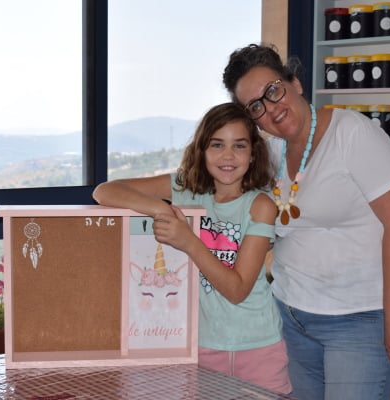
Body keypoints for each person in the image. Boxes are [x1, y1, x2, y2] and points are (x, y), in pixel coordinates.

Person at [222, 43, 390, 400]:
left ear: (294, 83)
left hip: (358, 322)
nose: (270, 108)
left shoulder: (352, 133)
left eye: (273, 90)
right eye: (256, 106)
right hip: (289, 317)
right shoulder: (272, 153)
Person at [93, 102, 292, 395]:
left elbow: (236, 290)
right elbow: (104, 191)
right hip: (200, 348)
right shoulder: (185, 189)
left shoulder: (260, 206)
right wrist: (163, 210)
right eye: (217, 145)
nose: (228, 155)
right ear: (202, 150)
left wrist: (187, 240)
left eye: (239, 146)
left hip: (258, 349)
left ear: (253, 154)